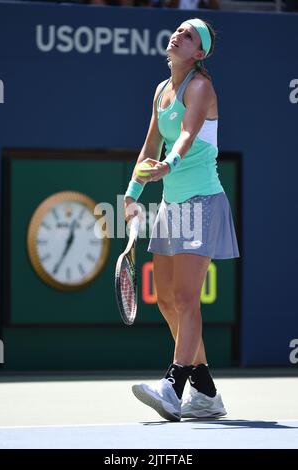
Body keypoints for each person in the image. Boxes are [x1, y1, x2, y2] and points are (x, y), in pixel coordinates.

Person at [124, 18, 239, 422]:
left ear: (200, 53)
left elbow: (186, 137)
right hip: (172, 206)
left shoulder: (200, 86)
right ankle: (206, 392)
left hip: (203, 201)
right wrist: (133, 194)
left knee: (188, 299)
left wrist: (167, 168)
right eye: (178, 30)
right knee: (169, 301)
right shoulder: (161, 91)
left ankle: (173, 387)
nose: (178, 35)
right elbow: (150, 144)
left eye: (188, 35)